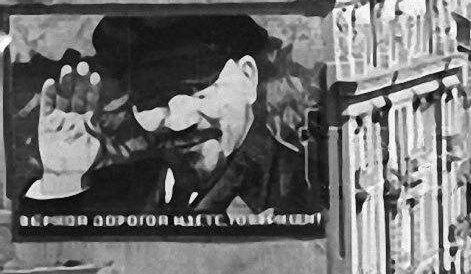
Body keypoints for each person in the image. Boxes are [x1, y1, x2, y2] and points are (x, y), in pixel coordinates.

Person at [16, 14, 323, 219]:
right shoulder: (122, 188)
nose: (178, 120)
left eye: (198, 89)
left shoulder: (304, 188)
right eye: (152, 100)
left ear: (247, 77)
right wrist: (62, 178)